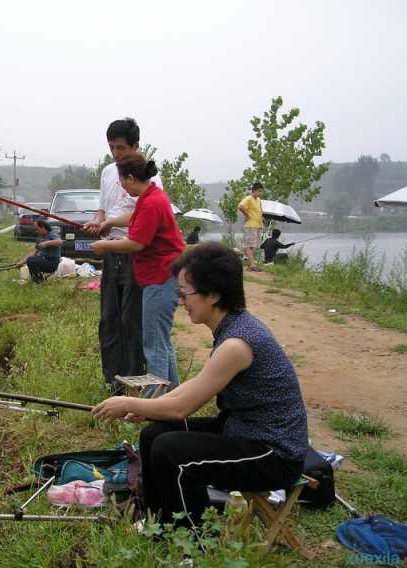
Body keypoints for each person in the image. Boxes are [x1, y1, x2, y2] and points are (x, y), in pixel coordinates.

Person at [91, 243, 309, 534]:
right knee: (155, 434)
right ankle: (159, 522)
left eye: (185, 293)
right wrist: (149, 410)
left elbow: (183, 407)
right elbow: (196, 385)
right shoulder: (231, 328)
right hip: (243, 429)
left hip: (273, 454)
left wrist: (132, 405)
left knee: (172, 450)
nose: (181, 301)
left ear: (215, 294)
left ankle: (191, 539)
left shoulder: (236, 343)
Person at [83, 117, 163, 390]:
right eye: (111, 148)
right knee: (109, 318)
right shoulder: (107, 172)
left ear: (135, 146)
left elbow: (145, 216)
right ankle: (112, 379)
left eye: (120, 148)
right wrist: (98, 221)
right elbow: (103, 207)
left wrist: (109, 224)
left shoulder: (148, 176)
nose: (115, 154)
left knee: (131, 320)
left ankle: (132, 380)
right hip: (111, 251)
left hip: (135, 252)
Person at [92, 154, 184, 388]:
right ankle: (172, 398)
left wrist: (104, 245)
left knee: (153, 346)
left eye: (121, 182)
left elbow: (136, 244)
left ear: (131, 179)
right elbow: (133, 218)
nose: (121, 186)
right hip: (163, 279)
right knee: (162, 344)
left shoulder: (152, 202)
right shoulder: (150, 196)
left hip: (160, 280)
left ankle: (154, 404)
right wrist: (109, 223)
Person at [237, 182, 265, 272]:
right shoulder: (249, 198)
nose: (259, 193)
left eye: (261, 192)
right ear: (253, 190)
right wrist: (247, 215)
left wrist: (262, 218)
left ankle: (250, 265)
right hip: (250, 225)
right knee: (248, 245)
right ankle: (253, 264)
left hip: (258, 225)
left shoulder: (259, 200)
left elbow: (260, 211)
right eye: (258, 191)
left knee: (253, 245)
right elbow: (240, 206)